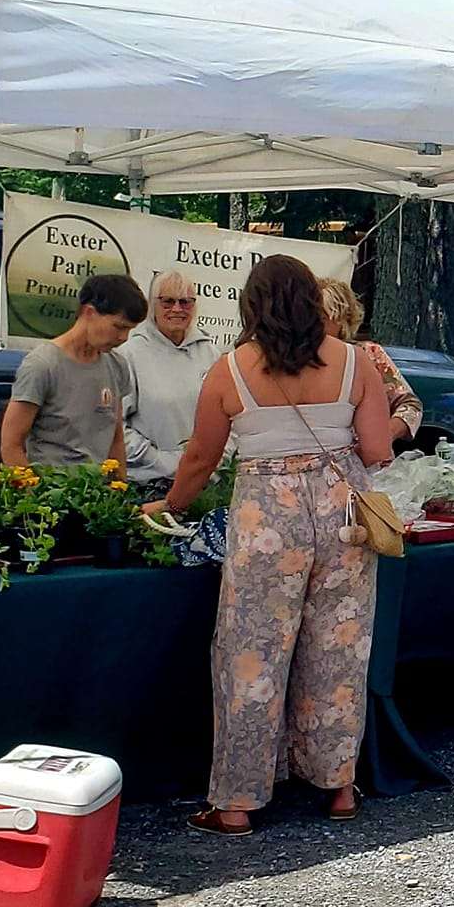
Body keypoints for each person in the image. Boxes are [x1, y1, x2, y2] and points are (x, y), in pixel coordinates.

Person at [145, 255, 394, 835]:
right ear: (313, 300)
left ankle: (237, 800)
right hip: (343, 512)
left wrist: (171, 506)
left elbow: (201, 459)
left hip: (266, 516)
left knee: (251, 654)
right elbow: (378, 447)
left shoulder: (228, 371)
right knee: (338, 650)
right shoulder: (357, 363)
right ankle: (337, 785)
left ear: (250, 305)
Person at [0, 274, 146, 471]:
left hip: (96, 491)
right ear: (89, 312)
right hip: (50, 489)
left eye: (130, 330)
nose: (123, 337)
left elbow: (116, 439)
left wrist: (118, 492)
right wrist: (31, 494)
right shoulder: (42, 365)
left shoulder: (117, 365)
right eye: (118, 327)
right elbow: (11, 445)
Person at [117, 269, 220, 485]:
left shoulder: (211, 353)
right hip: (149, 481)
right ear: (152, 305)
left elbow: (228, 416)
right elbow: (115, 426)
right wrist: (160, 460)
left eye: (185, 302)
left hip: (206, 481)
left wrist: (217, 459)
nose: (177, 309)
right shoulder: (129, 354)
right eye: (168, 301)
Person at [316, 277, 422, 446]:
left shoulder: (369, 354)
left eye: (321, 318)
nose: (313, 325)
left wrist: (385, 435)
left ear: (342, 319)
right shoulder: (297, 357)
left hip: (364, 461)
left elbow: (410, 405)